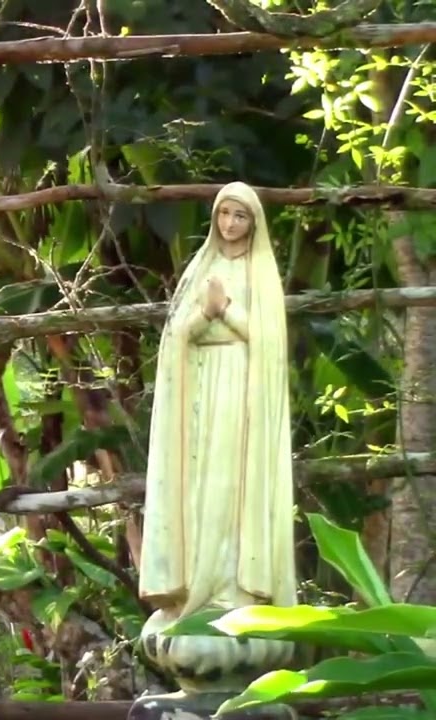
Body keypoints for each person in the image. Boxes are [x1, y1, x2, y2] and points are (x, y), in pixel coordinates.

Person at [136, 182, 296, 687]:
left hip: (244, 404)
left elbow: (267, 341)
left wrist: (225, 311)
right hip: (202, 398)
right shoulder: (200, 268)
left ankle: (235, 592)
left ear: (254, 224)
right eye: (224, 215)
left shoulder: (261, 274)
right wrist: (203, 315)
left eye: (240, 217)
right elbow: (177, 335)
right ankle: (195, 592)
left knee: (233, 495)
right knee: (201, 497)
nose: (230, 225)